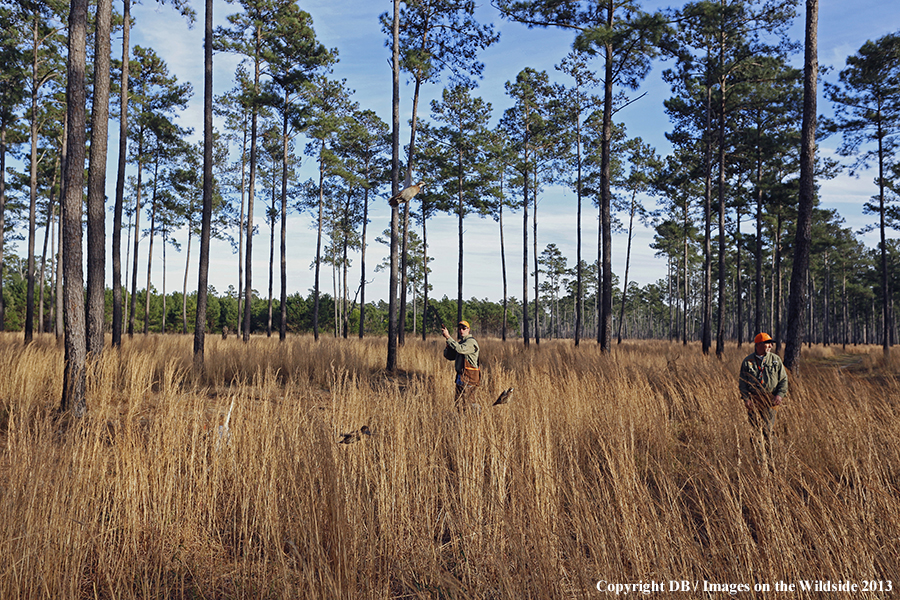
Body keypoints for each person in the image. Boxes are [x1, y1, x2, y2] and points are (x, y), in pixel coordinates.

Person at [739, 332, 788, 458]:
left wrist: (779, 395)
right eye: (768, 344)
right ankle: (759, 458)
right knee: (755, 431)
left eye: (771, 344)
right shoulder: (747, 361)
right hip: (753, 401)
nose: (771, 346)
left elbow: (783, 380)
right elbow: (742, 383)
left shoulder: (776, 360)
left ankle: (773, 457)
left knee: (768, 430)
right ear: (759, 345)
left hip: (770, 400)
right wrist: (746, 399)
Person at [441, 320, 480, 406]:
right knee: (458, 403)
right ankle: (461, 419)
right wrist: (448, 345)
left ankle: (476, 418)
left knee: (469, 404)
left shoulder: (470, 342)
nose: (461, 330)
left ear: (468, 329)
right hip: (461, 377)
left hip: (469, 378)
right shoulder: (461, 343)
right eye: (459, 329)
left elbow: (460, 349)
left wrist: (448, 337)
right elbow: (449, 356)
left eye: (464, 328)